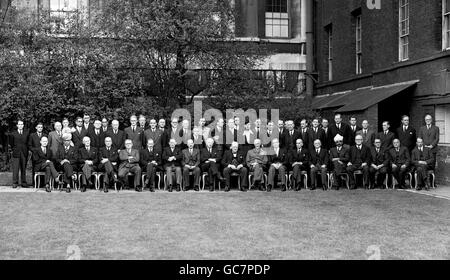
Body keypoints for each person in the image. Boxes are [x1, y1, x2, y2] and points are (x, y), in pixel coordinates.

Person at [9, 120, 30, 188]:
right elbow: (11, 143)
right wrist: (14, 149)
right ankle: (15, 183)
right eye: (19, 124)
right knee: (16, 168)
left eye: (22, 124)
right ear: (17, 125)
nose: (20, 125)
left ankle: (23, 183)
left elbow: (28, 143)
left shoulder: (26, 133)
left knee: (23, 168)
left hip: (24, 153)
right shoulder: (13, 133)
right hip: (16, 153)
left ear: (23, 125)